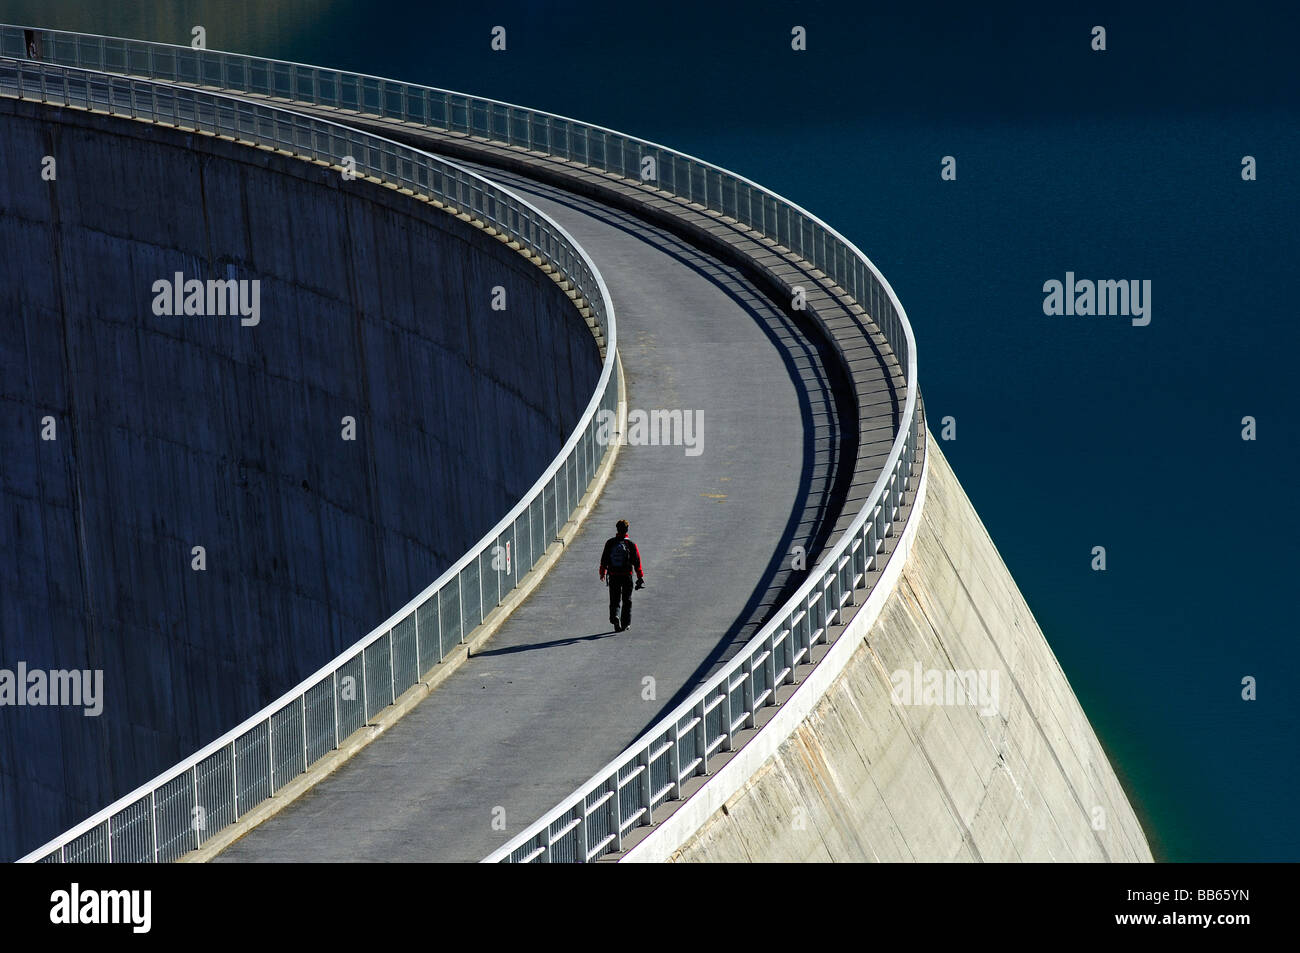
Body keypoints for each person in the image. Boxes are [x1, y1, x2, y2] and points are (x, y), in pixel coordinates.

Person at [599, 518, 644, 632]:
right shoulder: (631, 544)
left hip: (613, 575)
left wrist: (602, 572)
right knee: (627, 599)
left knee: (614, 599)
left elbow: (604, 559)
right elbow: (637, 561)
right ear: (627, 530)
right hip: (627, 576)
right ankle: (626, 623)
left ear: (617, 529)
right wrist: (640, 576)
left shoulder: (610, 543)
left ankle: (615, 616)